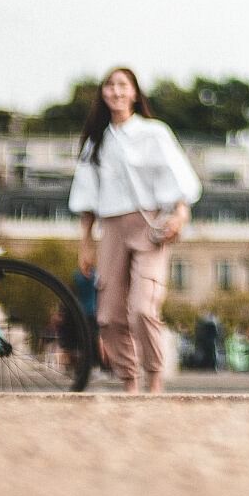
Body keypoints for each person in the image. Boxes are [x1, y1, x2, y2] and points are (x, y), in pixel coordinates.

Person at [73, 66, 201, 393]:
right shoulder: (96, 142)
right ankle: (129, 381)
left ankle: (154, 377)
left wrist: (180, 215)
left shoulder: (154, 132)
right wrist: (85, 244)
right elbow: (86, 197)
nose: (115, 91)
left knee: (144, 307)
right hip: (112, 228)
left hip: (149, 225)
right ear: (103, 94)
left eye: (122, 85)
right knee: (109, 314)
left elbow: (177, 178)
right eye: (109, 86)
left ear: (134, 93)